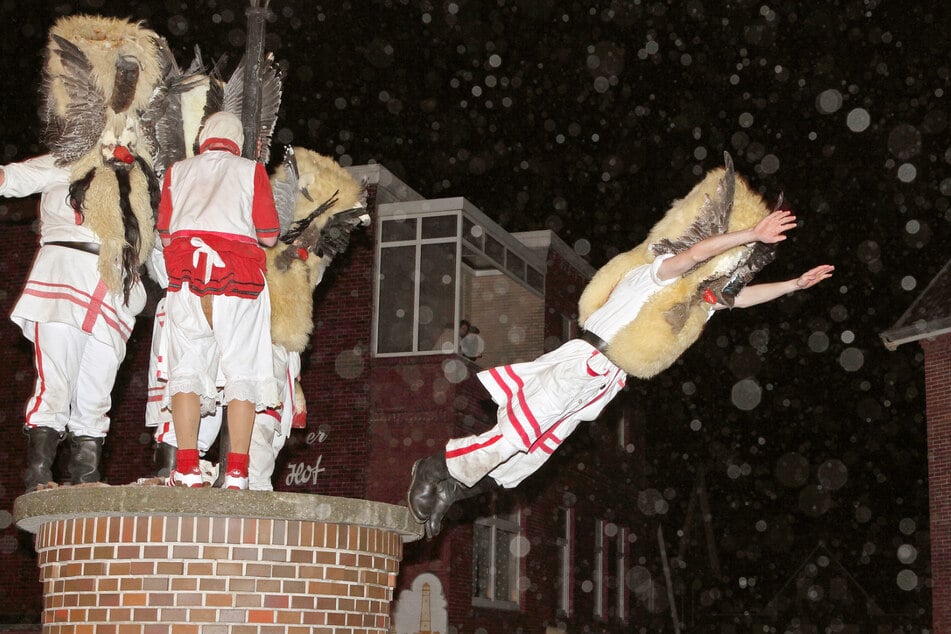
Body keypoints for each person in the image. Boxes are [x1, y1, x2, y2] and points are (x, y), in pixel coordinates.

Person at [407, 163, 834, 538]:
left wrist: (793, 285)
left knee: (523, 464)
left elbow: (736, 299)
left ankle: (453, 491)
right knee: (517, 436)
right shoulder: (654, 276)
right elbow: (692, 256)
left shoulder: (689, 308)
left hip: (602, 386)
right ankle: (434, 468)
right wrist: (749, 233)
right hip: (583, 363)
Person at [1, 154, 150, 492]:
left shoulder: (138, 177)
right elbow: (10, 179)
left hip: (113, 289)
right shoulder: (66, 161)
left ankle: (85, 482)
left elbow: (156, 242)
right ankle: (39, 477)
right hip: (63, 277)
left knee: (97, 395)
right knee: (55, 383)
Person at [156, 111, 281, 489]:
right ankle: (238, 474)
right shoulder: (250, 170)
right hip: (237, 278)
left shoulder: (176, 171)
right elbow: (270, 234)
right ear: (238, 142)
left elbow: (165, 233)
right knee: (243, 374)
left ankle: (188, 467)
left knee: (188, 373)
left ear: (203, 139)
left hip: (187, 279)